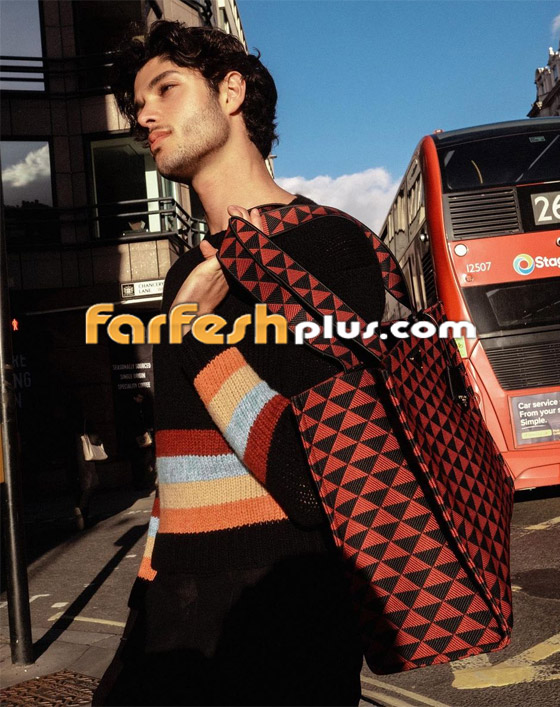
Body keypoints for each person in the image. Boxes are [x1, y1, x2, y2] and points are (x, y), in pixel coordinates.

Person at [95, 21, 386, 706]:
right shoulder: (187, 274)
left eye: (166, 89)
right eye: (138, 104)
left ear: (231, 92)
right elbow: (183, 457)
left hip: (280, 623)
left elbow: (315, 482)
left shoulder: (326, 249)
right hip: (173, 608)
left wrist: (198, 340)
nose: (144, 115)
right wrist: (148, 585)